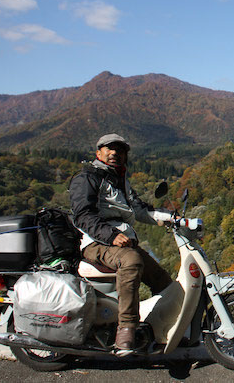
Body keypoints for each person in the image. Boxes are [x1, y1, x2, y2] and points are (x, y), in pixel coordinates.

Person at [69, 133, 172, 354]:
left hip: (120, 243)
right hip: (95, 242)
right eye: (109, 148)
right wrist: (111, 235)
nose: (115, 152)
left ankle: (165, 326)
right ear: (99, 153)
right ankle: (126, 330)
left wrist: (173, 219)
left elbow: (139, 209)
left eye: (120, 150)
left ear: (125, 156)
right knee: (132, 261)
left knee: (162, 279)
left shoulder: (120, 180)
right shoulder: (88, 178)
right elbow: (82, 216)